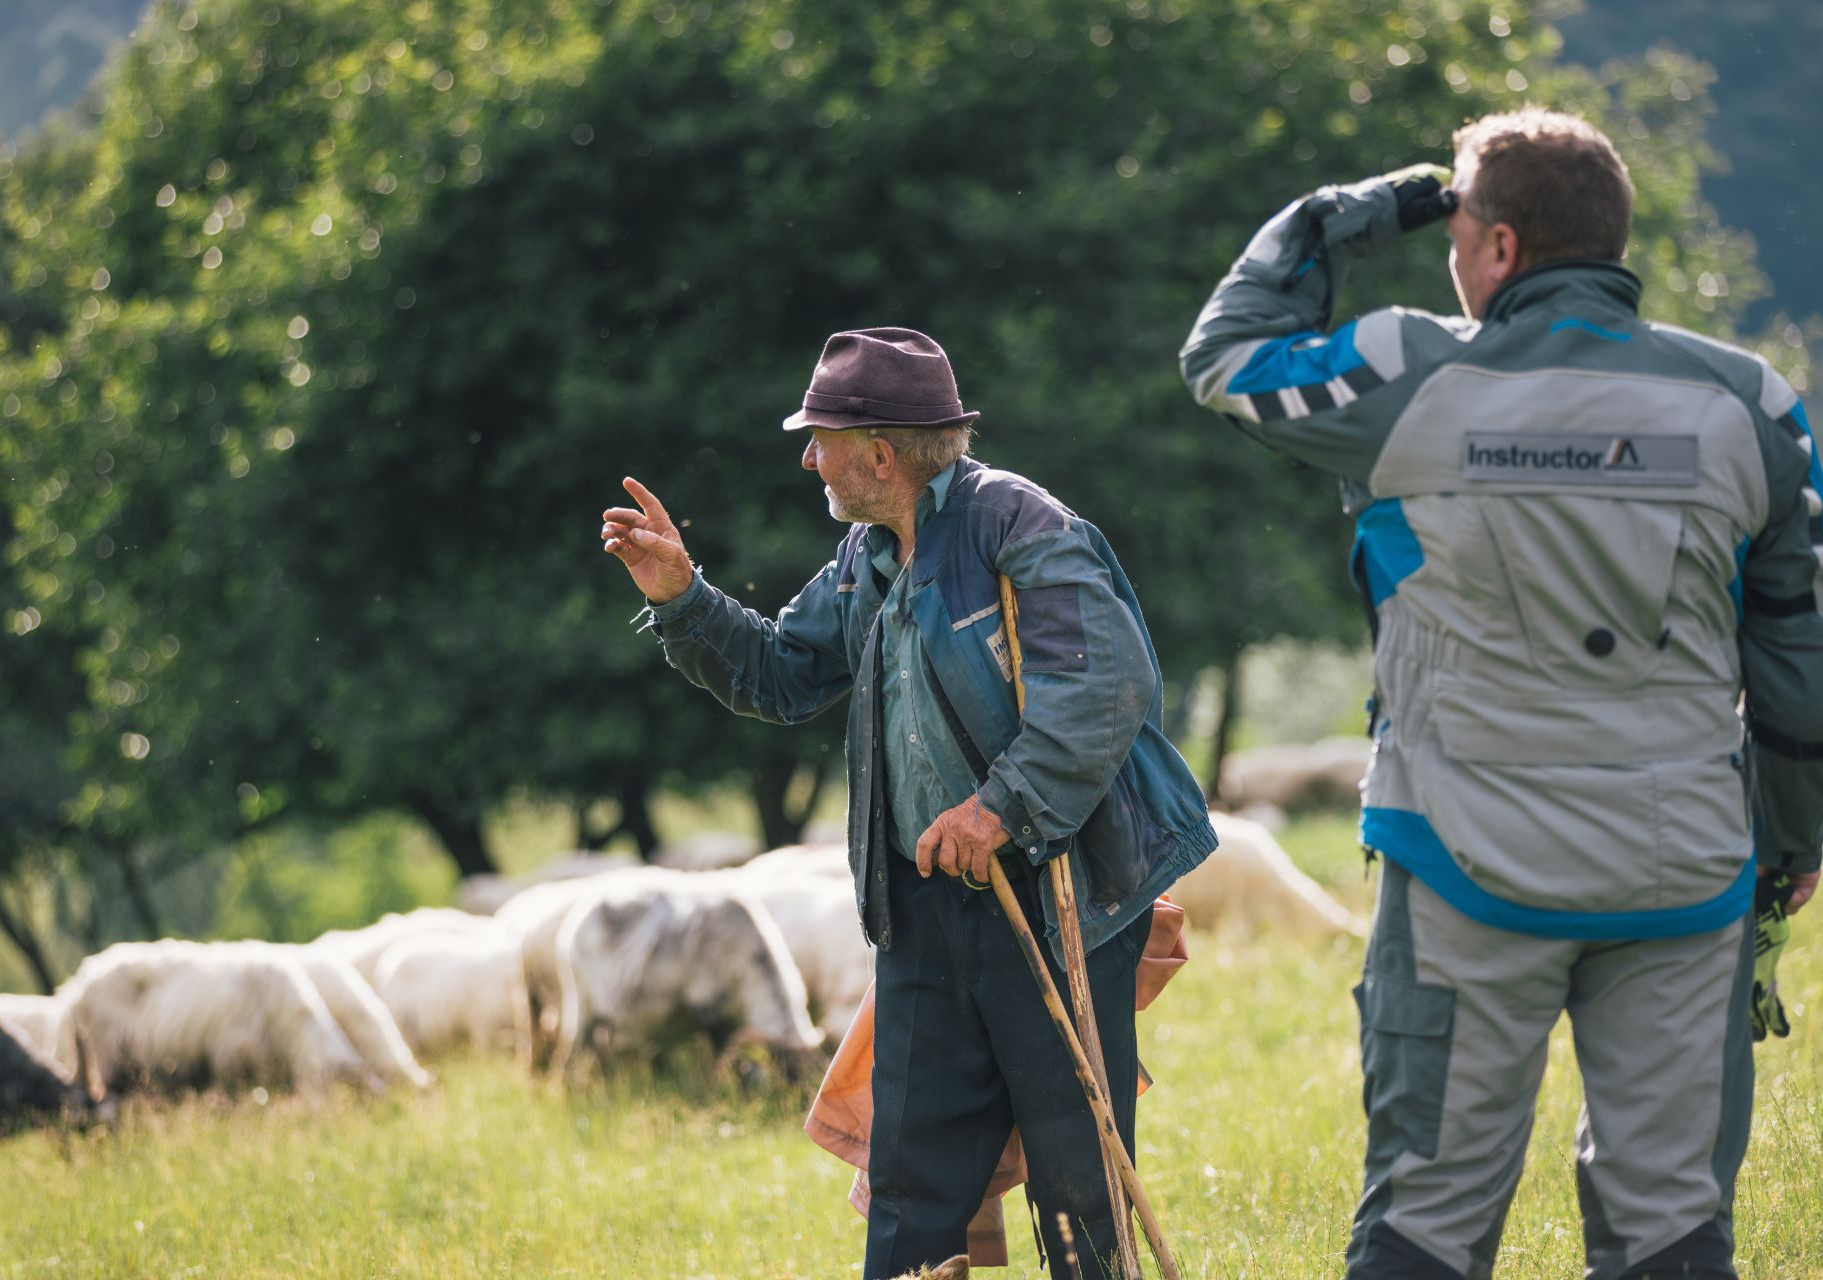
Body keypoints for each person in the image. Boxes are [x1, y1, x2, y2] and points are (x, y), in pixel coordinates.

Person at [1181, 107, 1823, 1280]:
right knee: (1673, 1229)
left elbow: (1225, 357)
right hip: (1684, 871)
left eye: (1455, 231)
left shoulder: (1407, 371)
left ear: (1500, 247)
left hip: (1461, 866)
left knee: (1424, 1227)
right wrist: (1787, 854)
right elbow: (1797, 663)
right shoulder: (1756, 406)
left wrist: (1346, 214)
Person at [600, 326, 1216, 1279]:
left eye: (821, 440)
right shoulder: (866, 555)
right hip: (923, 910)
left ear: (880, 454)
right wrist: (683, 598)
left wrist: (1000, 808)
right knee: (908, 1188)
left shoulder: (1018, 524)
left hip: (1051, 891)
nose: (809, 459)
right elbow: (780, 673)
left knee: (1078, 1183)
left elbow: (1103, 686)